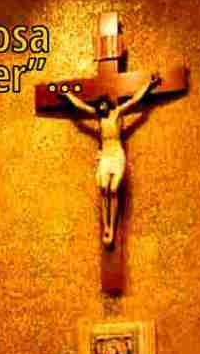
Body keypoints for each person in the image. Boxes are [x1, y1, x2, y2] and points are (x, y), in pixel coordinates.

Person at [65, 74, 160, 247]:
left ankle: (112, 227)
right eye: (99, 105)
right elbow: (81, 106)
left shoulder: (117, 113)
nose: (101, 107)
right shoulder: (98, 117)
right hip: (105, 155)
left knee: (114, 188)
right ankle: (106, 226)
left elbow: (134, 100)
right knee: (103, 188)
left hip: (116, 154)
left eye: (104, 104)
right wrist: (68, 95)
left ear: (108, 104)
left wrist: (149, 85)